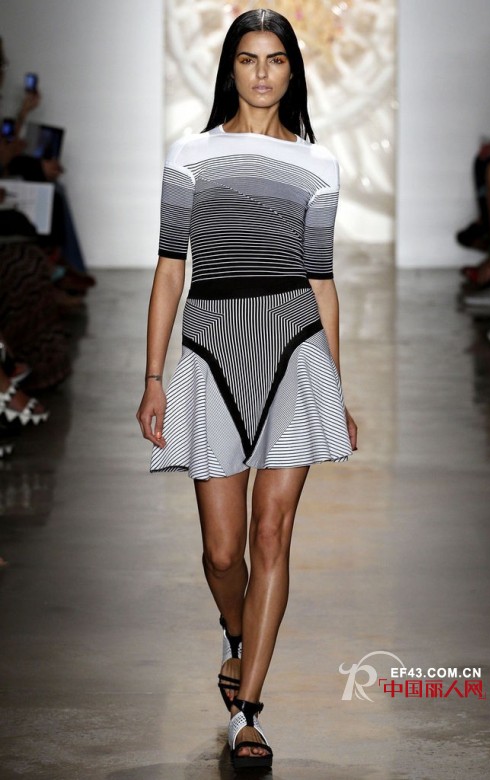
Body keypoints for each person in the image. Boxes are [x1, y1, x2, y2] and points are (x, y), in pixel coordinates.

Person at [137, 8, 358, 771]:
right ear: (230, 69)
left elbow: (321, 280)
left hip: (295, 348)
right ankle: (235, 633)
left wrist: (335, 387)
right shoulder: (189, 157)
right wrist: (154, 377)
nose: (262, 73)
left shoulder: (319, 164)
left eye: (275, 59)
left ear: (292, 70)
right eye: (248, 59)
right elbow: (170, 269)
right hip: (211, 348)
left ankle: (248, 711)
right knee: (222, 551)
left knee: (271, 535)